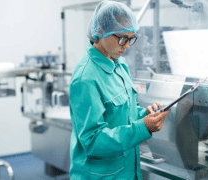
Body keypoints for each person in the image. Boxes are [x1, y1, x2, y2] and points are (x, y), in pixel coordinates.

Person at [69, 1, 170, 179]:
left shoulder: (119, 64)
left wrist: (144, 113)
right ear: (100, 32)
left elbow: (121, 114)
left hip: (126, 171)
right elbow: (93, 141)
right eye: (123, 38)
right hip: (101, 175)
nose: (128, 46)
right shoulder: (85, 78)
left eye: (131, 38)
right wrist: (143, 128)